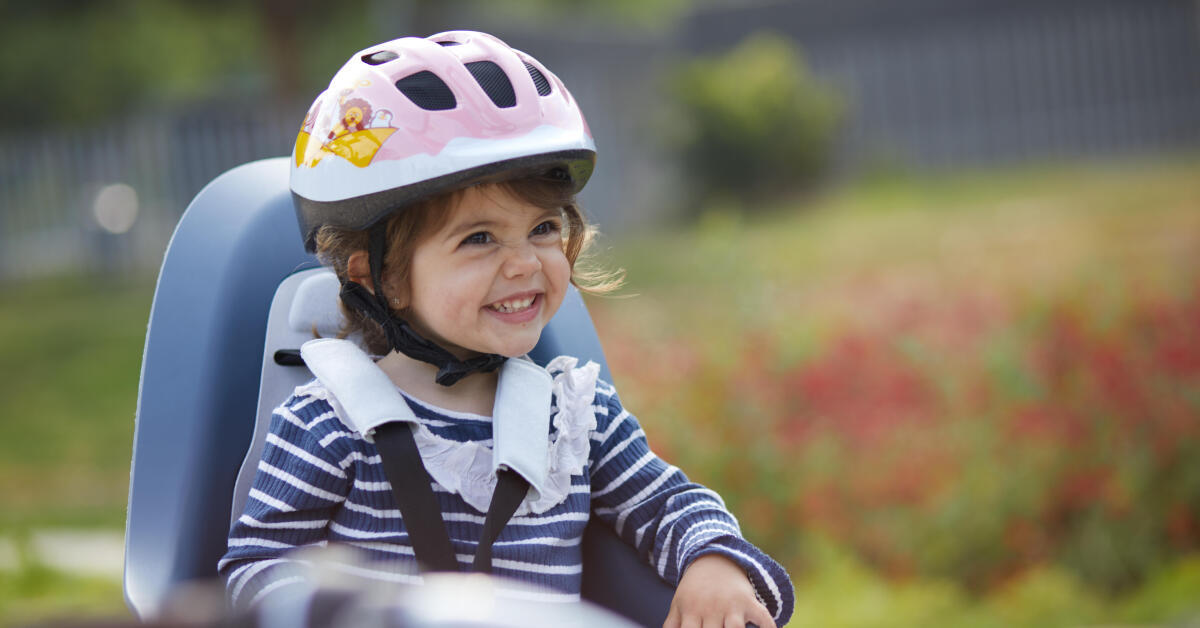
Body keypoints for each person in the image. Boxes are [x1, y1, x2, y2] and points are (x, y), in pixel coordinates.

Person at [219, 30, 795, 627]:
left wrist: (713, 563)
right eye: (479, 238)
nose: (525, 263)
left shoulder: (575, 418)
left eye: (543, 229)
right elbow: (258, 567)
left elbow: (668, 503)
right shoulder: (328, 424)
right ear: (380, 276)